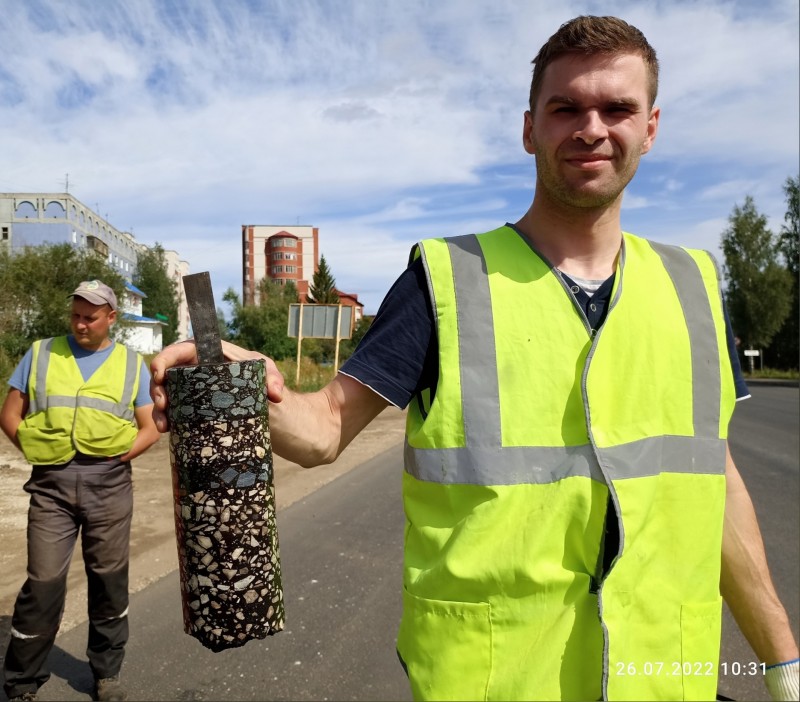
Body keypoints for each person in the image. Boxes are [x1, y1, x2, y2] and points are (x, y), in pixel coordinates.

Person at [151, 16, 799, 702]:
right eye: (565, 108)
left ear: (651, 126)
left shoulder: (692, 285)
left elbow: (715, 481)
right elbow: (324, 430)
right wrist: (246, 383)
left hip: (662, 677)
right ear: (529, 129)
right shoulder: (446, 279)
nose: (591, 128)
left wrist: (782, 661)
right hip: (497, 679)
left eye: (617, 108)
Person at [1, 280, 160, 702]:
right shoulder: (40, 353)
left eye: (90, 317)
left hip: (108, 486)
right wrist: (36, 448)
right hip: (50, 487)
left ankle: (106, 674)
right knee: (44, 581)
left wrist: (119, 459)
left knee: (108, 581)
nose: (80, 323)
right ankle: (21, 682)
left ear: (111, 318)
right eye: (75, 314)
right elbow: (10, 413)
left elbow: (151, 428)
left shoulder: (130, 364)